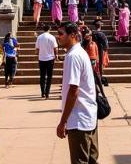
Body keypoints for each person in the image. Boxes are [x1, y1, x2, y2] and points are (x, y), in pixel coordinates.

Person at [56, 22, 98, 164]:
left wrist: (63, 122)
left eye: (61, 34)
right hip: (89, 116)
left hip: (79, 120)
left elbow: (74, 90)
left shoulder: (73, 56)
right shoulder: (81, 52)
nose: (58, 37)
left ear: (73, 35)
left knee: (80, 161)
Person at [36, 23, 58, 99]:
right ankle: (47, 93)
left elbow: (37, 49)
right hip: (50, 59)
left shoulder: (39, 37)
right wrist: (56, 56)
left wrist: (38, 55)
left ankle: (43, 92)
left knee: (42, 76)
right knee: (49, 76)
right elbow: (55, 48)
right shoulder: (52, 37)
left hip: (41, 58)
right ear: (49, 29)